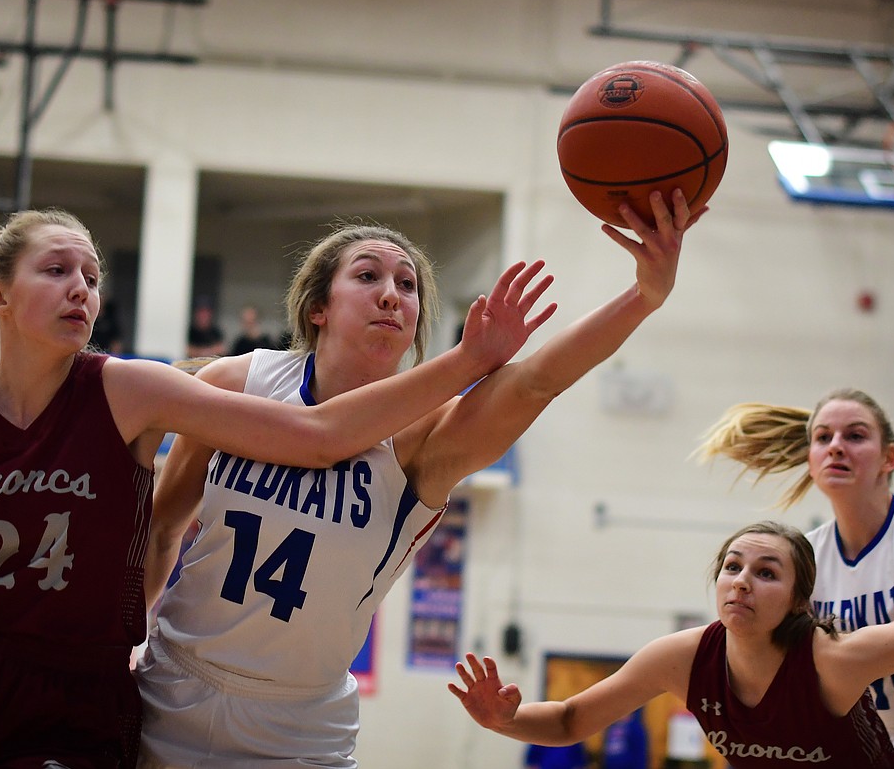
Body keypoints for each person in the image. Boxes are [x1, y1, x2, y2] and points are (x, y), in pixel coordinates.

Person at [0, 207, 548, 769]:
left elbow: (318, 435)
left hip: (79, 685)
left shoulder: (130, 388)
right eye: (57, 270)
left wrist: (470, 361)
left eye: (92, 275)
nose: (81, 287)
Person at [137, 190, 701, 768]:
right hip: (174, 685)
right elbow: (159, 532)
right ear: (317, 308)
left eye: (408, 285)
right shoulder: (238, 382)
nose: (391, 294)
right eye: (367, 275)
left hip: (298, 724)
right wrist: (123, 642)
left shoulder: (425, 438)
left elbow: (536, 381)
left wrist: (644, 296)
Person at [449, 520, 894, 769]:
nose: (741, 580)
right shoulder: (682, 657)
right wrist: (504, 720)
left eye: (767, 573)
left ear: (799, 600)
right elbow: (572, 720)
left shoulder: (834, 659)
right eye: (732, 566)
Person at [697, 388, 894, 768]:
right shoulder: (806, 556)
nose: (836, 447)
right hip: (876, 742)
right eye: (823, 438)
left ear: (888, 458)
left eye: (855, 435)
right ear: (811, 460)